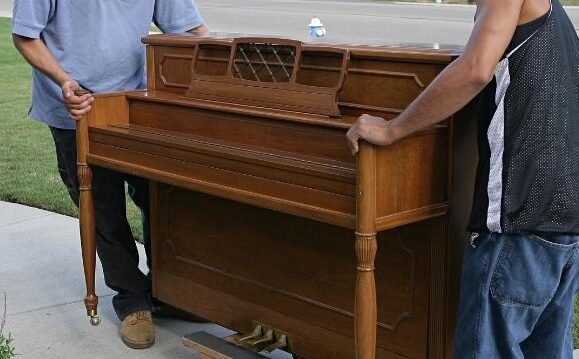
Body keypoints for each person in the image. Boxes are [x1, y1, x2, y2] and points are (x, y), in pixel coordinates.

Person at [347, 0, 579, 357]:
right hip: (563, 221)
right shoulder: (555, 16)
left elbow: (475, 69)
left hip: (517, 221)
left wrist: (394, 129)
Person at [11, 0, 208, 350]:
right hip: (77, 105)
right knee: (102, 206)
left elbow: (189, 29)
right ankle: (133, 300)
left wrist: (227, 62)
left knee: (160, 196)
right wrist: (63, 81)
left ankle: (168, 292)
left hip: (138, 101)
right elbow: (26, 36)